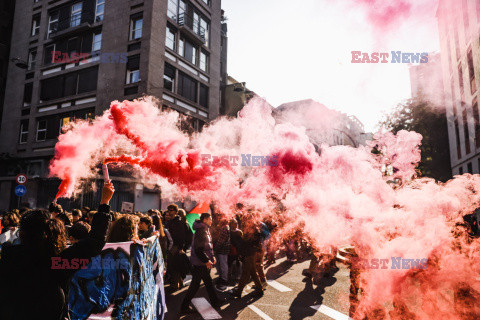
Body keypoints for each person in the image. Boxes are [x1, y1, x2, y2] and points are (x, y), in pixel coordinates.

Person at [0, 182, 114, 320]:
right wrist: (104, 203)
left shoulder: (9, 255)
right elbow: (94, 242)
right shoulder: (58, 262)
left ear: (22, 233)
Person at [180, 213, 224, 313]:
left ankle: (215, 301)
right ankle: (184, 307)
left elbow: (207, 246)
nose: (211, 221)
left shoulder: (204, 229)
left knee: (208, 282)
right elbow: (198, 249)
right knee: (195, 286)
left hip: (202, 263)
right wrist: (207, 260)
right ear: (204, 220)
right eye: (210, 219)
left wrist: (212, 256)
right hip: (200, 264)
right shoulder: (201, 230)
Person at [231, 220, 264, 298]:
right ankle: (259, 289)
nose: (245, 222)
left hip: (250, 253)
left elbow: (250, 242)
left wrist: (242, 241)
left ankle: (239, 292)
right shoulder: (251, 229)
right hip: (249, 253)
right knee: (253, 272)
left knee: (245, 273)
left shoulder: (254, 230)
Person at [165, 204, 190, 291]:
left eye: (171, 210)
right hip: (172, 246)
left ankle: (175, 285)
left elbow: (181, 236)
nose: (169, 212)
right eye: (168, 210)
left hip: (175, 247)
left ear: (176, 211)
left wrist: (180, 248)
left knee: (174, 266)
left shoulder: (178, 222)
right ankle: (178, 283)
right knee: (176, 266)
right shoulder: (171, 221)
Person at [213, 218, 230, 289]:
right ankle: (222, 277)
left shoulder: (224, 228)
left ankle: (224, 279)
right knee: (221, 264)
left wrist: (215, 249)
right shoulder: (224, 227)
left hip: (222, 250)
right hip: (222, 249)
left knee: (223, 264)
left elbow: (220, 241)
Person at [228, 218, 243, 283]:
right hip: (230, 250)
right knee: (230, 263)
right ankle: (230, 275)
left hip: (237, 249)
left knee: (237, 262)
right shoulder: (228, 231)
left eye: (236, 223)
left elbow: (241, 241)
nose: (235, 225)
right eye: (233, 223)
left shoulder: (239, 232)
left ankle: (238, 276)